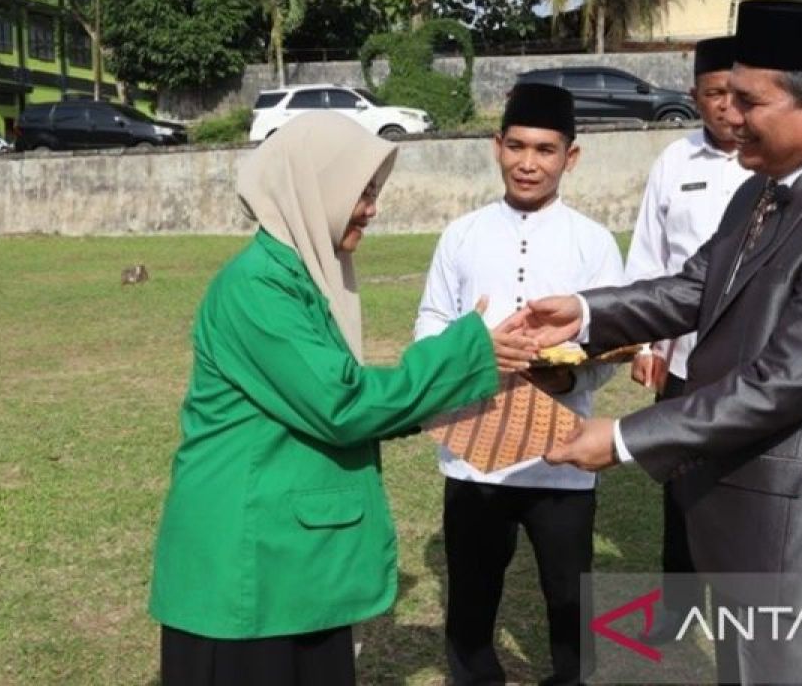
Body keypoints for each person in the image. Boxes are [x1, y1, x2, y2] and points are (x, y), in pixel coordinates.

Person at [517, 0, 802, 684]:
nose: (727, 115)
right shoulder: (763, 189)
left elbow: (780, 384)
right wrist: (584, 314)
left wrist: (622, 439)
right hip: (745, 523)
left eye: (747, 100)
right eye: (724, 96)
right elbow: (692, 288)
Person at [149, 112, 532, 686]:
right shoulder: (257, 288)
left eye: (373, 193)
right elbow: (341, 404)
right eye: (361, 193)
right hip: (248, 571)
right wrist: (465, 354)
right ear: (313, 189)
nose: (371, 209)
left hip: (286, 565)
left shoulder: (299, 279)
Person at [414, 83, 623, 686]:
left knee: (570, 597)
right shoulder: (462, 233)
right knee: (472, 600)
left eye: (546, 149)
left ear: (570, 157)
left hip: (562, 455)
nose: (529, 163)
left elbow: (613, 337)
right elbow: (429, 323)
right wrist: (474, 353)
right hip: (474, 452)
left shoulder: (593, 241)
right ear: (496, 147)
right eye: (517, 146)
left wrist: (569, 370)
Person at [623, 35, 751, 645]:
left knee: (748, 485)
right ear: (694, 95)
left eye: (737, 93)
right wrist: (644, 345)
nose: (727, 108)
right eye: (712, 95)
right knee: (679, 488)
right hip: (683, 359)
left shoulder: (773, 162)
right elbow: (649, 257)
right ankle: (678, 606)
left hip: (755, 365)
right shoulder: (674, 163)